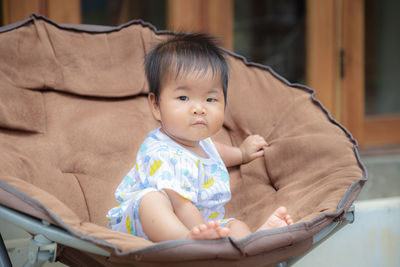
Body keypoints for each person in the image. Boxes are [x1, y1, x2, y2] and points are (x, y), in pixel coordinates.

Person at [106, 33, 293, 242]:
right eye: (183, 97)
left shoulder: (204, 144)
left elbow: (218, 152)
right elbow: (181, 205)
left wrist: (242, 153)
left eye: (210, 99)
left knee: (235, 225)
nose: (199, 109)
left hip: (201, 228)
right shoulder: (159, 152)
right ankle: (189, 242)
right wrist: (198, 233)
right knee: (151, 200)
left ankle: (252, 245)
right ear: (156, 106)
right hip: (146, 226)